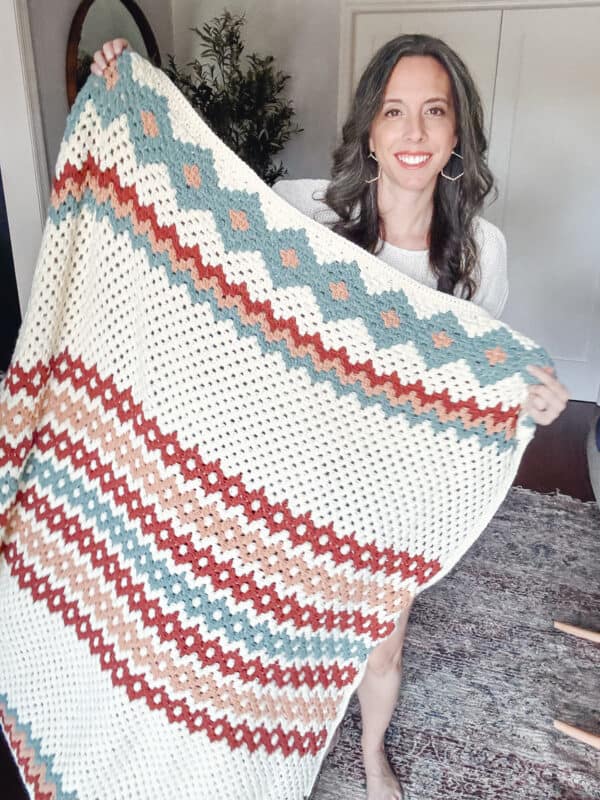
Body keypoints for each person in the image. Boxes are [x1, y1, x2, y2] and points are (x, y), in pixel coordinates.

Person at [91, 35, 569, 800]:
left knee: (380, 649)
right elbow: (198, 213)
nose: (413, 133)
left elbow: (479, 374)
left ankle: (372, 754)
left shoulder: (482, 248)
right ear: (371, 130)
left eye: (434, 112)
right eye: (395, 112)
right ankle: (248, 748)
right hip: (298, 462)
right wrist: (130, 94)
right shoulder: (304, 209)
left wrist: (530, 399)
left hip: (401, 485)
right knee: (267, 630)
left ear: (456, 135)